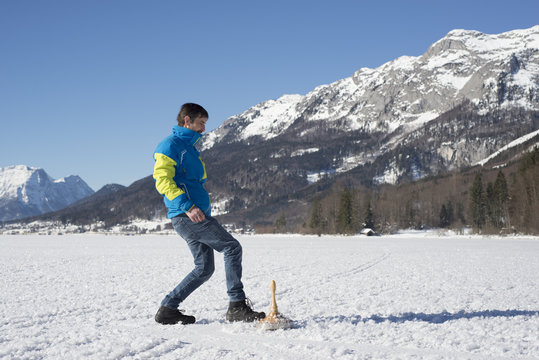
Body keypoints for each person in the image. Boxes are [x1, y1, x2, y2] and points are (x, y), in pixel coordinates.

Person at [152, 103, 265, 325]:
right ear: (187, 121)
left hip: (193, 214)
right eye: (201, 123)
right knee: (232, 247)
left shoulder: (190, 148)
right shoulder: (170, 145)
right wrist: (188, 206)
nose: (204, 128)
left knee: (204, 268)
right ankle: (237, 306)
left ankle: (168, 308)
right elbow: (163, 180)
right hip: (187, 214)